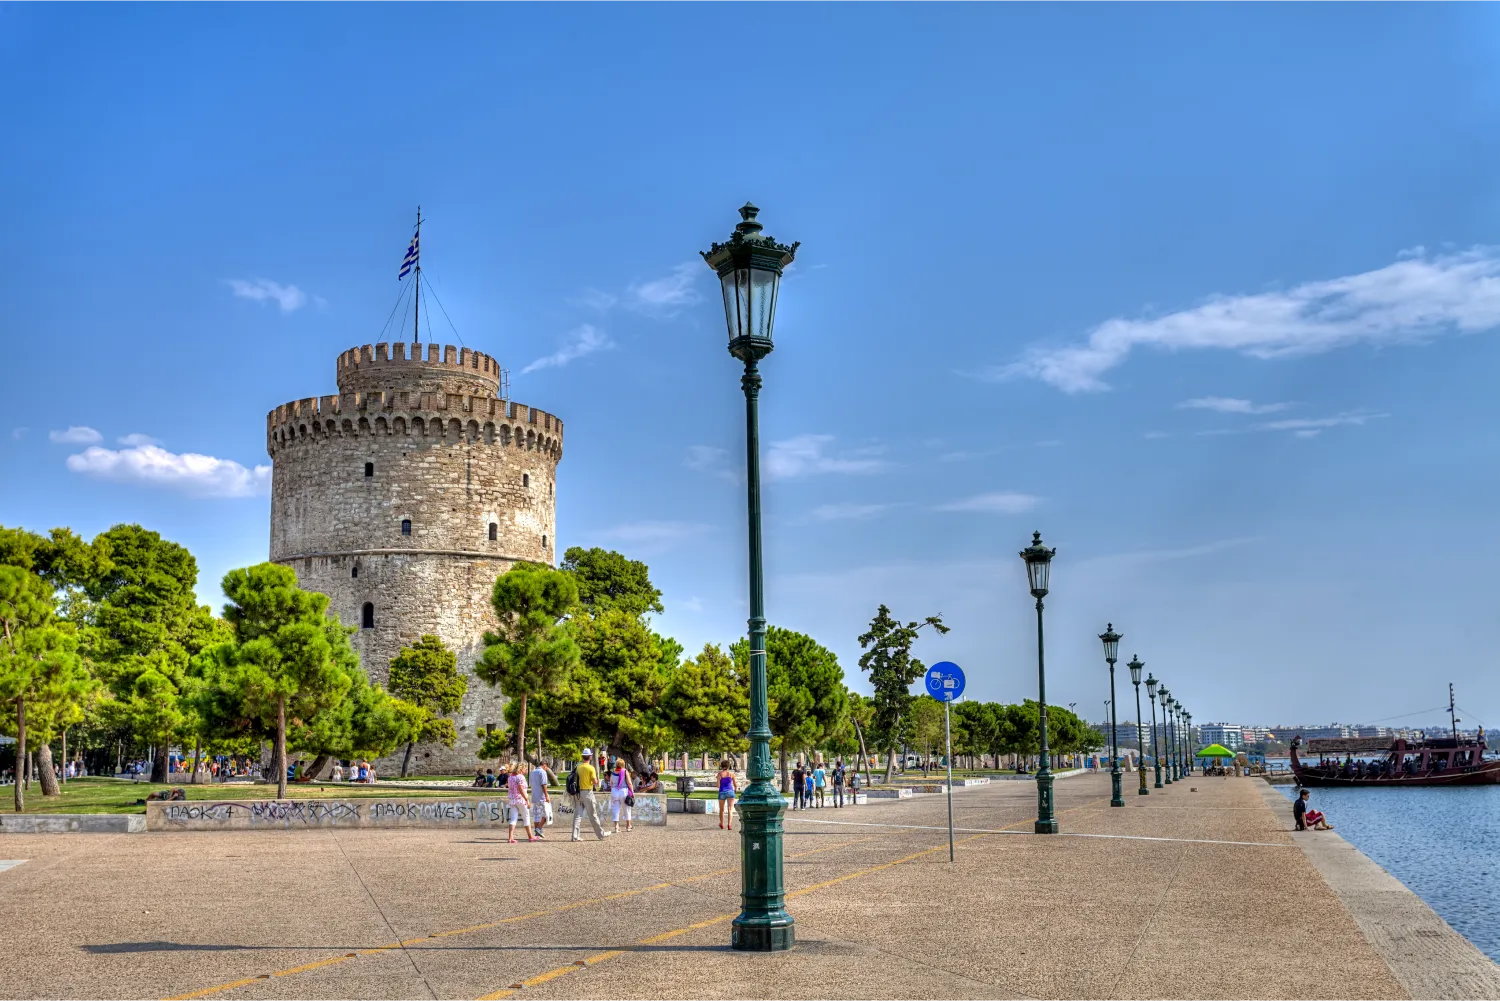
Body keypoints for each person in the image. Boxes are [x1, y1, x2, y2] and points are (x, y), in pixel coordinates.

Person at [569, 748, 609, 841]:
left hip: (578, 793)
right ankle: (600, 834)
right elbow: (595, 782)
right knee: (593, 815)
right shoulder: (591, 768)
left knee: (577, 815)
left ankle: (575, 836)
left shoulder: (578, 767)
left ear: (583, 757)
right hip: (587, 793)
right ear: (590, 757)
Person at [505, 762, 537, 843]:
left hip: (512, 800)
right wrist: (527, 799)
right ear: (521, 768)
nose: (526, 770)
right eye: (525, 768)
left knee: (513, 818)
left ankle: (510, 838)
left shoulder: (510, 777)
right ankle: (530, 836)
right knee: (526, 817)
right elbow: (521, 789)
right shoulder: (520, 777)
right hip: (521, 800)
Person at [529, 759, 553, 839]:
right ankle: (539, 829)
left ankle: (536, 833)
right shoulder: (543, 772)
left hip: (534, 796)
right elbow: (543, 784)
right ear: (545, 765)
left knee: (537, 815)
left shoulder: (532, 772)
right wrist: (546, 795)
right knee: (547, 814)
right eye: (546, 768)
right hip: (541, 796)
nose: (546, 769)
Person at [610, 757, 634, 833]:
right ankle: (628, 826)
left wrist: (614, 789)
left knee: (615, 809)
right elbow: (629, 783)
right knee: (626, 808)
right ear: (623, 765)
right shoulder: (625, 771)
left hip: (614, 791)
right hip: (623, 791)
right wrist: (632, 792)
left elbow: (611, 784)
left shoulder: (613, 772)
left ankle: (617, 827)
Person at [717, 760, 738, 831]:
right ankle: (729, 824)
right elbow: (735, 784)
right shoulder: (731, 774)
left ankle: (722, 824)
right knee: (730, 809)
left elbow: (718, 785)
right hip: (730, 792)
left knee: (722, 809)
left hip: (722, 792)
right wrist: (735, 789)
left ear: (721, 766)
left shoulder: (719, 774)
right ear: (728, 766)